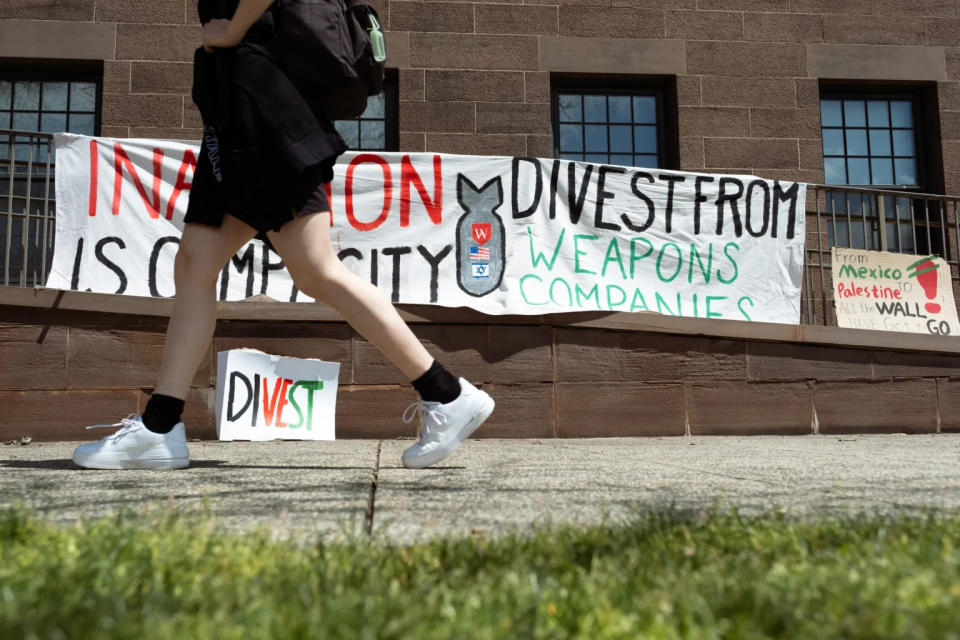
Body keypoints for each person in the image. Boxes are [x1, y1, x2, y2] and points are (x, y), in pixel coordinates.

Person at [72, 0, 494, 471]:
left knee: (316, 270)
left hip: (266, 110)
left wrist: (232, 28)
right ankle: (159, 426)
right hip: (243, 111)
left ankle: (447, 393)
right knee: (196, 263)